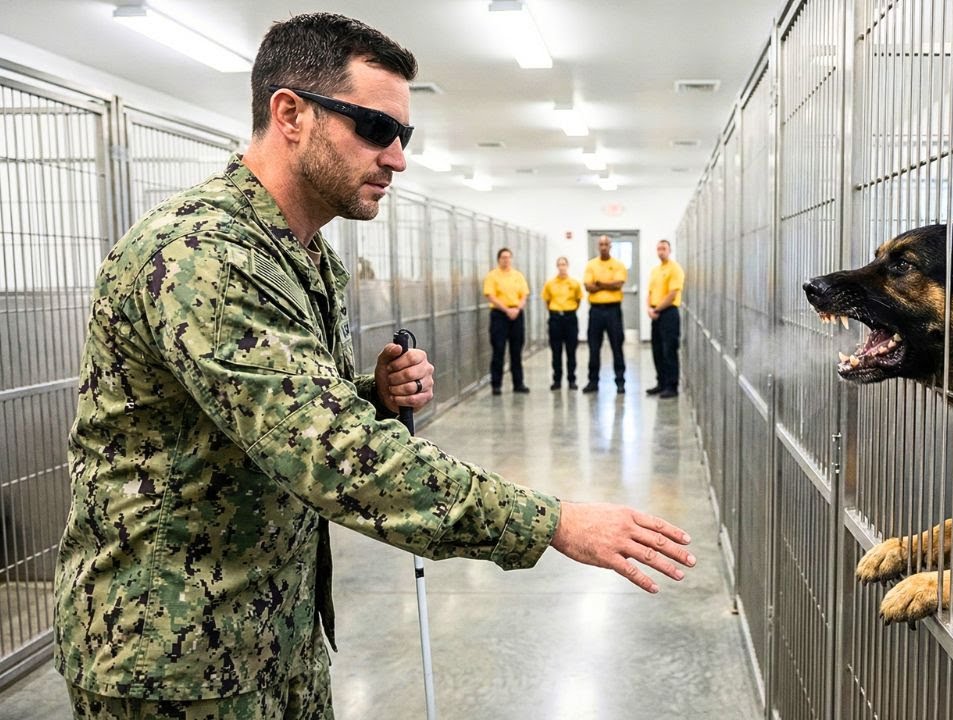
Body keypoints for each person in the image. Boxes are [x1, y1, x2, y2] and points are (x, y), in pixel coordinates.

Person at [54, 13, 695, 719]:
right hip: (171, 655)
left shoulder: (308, 257)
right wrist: (551, 521)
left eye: (404, 135)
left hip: (272, 629)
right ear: (290, 114)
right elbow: (333, 455)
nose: (397, 158)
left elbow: (279, 416)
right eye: (374, 128)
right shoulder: (206, 253)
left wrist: (373, 396)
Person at [582, 234, 628, 394]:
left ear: (610, 246)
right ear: (598, 246)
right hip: (596, 311)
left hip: (613, 311)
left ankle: (620, 382)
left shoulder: (618, 265)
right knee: (594, 347)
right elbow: (588, 287)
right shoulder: (591, 265)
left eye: (606, 244)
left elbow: (618, 284)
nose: (603, 247)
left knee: (617, 346)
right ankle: (593, 382)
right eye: (601, 244)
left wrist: (599, 283)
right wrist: (608, 285)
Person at [483, 247, 530, 395]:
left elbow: (524, 295)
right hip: (500, 315)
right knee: (498, 349)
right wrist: (507, 310)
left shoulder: (518, 276)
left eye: (508, 257)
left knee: (516, 350)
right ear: (499, 259)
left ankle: (518, 383)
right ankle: (496, 384)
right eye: (503, 257)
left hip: (517, 314)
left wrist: (517, 309)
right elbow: (490, 296)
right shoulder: (492, 276)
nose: (506, 260)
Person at [646, 239, 685, 399]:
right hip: (656, 314)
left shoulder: (675, 269)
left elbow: (672, 294)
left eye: (664, 248)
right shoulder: (655, 270)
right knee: (657, 350)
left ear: (669, 250)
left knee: (669, 350)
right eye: (659, 249)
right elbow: (650, 292)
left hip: (668, 313)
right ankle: (661, 383)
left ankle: (672, 386)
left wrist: (656, 309)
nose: (661, 251)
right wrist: (649, 308)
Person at [541, 256, 584, 390]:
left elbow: (578, 300)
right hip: (555, 319)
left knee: (571, 350)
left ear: (567, 266)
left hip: (570, 318)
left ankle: (572, 379)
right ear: (557, 267)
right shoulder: (550, 284)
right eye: (559, 264)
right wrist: (555, 311)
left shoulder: (574, 283)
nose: (562, 267)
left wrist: (569, 311)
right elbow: (547, 301)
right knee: (556, 350)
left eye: (564, 264)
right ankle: (557, 380)